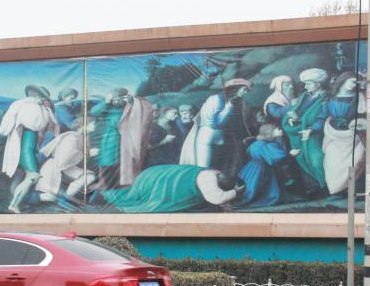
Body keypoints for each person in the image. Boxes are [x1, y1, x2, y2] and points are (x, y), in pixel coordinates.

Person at [0, 85, 59, 212]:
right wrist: (46, 111)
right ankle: (14, 205)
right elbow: (36, 124)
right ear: (39, 96)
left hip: (25, 147)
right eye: (44, 98)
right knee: (33, 176)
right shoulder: (33, 107)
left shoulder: (28, 106)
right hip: (26, 149)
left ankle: (18, 203)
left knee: (20, 176)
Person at [101, 164, 241, 213]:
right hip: (155, 180)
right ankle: (102, 195)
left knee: (133, 196)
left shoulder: (213, 173)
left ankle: (102, 195)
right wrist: (237, 192)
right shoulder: (208, 178)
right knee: (138, 199)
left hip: (153, 175)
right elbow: (216, 198)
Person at [90, 88, 154, 190]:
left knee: (126, 164)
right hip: (111, 139)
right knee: (109, 163)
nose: (117, 101)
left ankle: (124, 186)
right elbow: (94, 112)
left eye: (119, 98)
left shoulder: (129, 106)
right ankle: (110, 187)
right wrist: (106, 101)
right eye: (115, 99)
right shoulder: (107, 106)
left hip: (127, 138)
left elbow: (142, 111)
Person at [179, 78, 251, 167]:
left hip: (219, 136)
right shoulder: (215, 100)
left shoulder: (234, 101)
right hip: (208, 134)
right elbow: (214, 123)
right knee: (204, 166)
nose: (246, 92)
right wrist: (227, 110)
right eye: (245, 89)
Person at [282, 68, 330, 195]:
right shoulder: (305, 96)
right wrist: (294, 119)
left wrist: (310, 129)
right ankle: (317, 186)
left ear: (318, 85)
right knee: (303, 159)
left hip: (317, 134)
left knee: (316, 160)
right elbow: (298, 111)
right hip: (300, 132)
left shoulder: (326, 99)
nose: (305, 86)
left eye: (308, 84)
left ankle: (327, 186)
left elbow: (322, 118)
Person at [322, 72, 366, 196]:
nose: (354, 85)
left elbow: (364, 114)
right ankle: (337, 190)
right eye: (352, 81)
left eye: (357, 83)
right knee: (332, 163)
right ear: (343, 80)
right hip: (333, 134)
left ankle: (352, 190)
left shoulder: (359, 97)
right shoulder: (329, 97)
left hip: (354, 135)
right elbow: (324, 115)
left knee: (355, 162)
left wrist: (358, 122)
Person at [36, 117, 96, 204]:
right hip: (55, 168)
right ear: (83, 126)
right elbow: (64, 160)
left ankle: (67, 196)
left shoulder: (81, 138)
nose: (94, 125)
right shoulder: (73, 138)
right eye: (92, 123)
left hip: (64, 166)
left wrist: (88, 153)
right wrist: (88, 154)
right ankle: (66, 197)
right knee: (50, 196)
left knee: (90, 176)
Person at [236, 123, 290, 207]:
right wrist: (290, 153)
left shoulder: (262, 143)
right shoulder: (262, 145)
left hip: (253, 167)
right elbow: (276, 157)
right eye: (277, 129)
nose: (280, 130)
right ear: (269, 132)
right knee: (257, 188)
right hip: (261, 169)